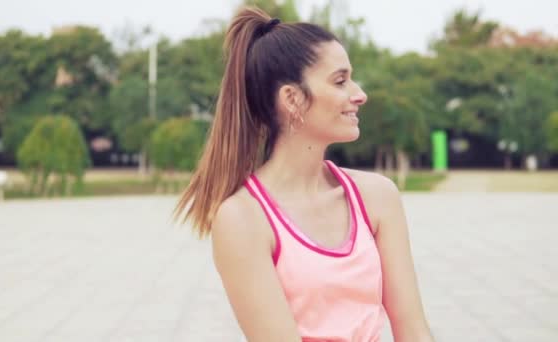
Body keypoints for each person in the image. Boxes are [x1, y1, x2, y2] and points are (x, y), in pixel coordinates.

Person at [174, 6, 433, 342]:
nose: (359, 94)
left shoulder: (378, 196)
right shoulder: (243, 218)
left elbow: (414, 332)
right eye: (340, 81)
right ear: (292, 99)